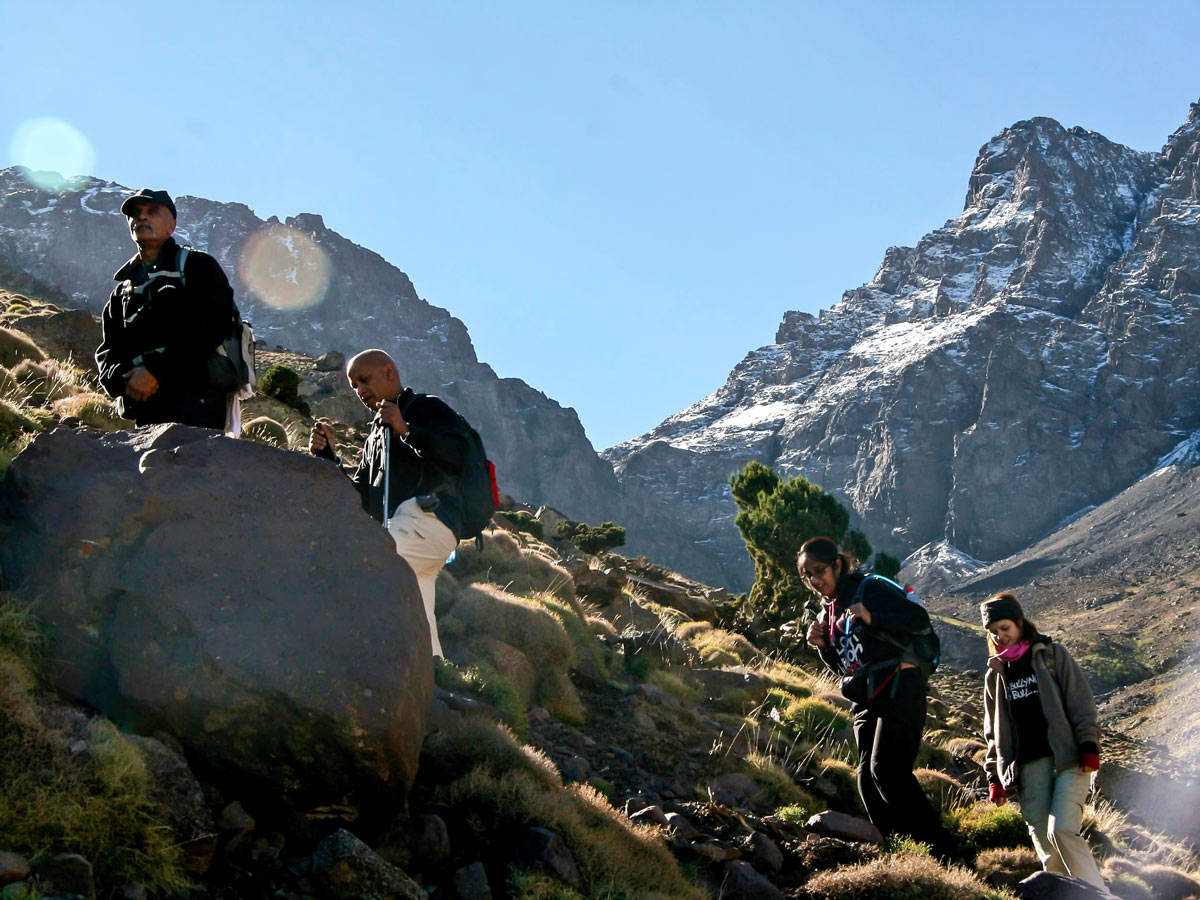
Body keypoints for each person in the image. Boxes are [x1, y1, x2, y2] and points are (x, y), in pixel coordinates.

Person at [801, 535, 955, 858]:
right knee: (867, 782)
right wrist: (825, 647)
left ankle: (947, 856)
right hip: (867, 697)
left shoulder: (868, 589)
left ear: (837, 565)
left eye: (819, 571)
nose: (815, 580)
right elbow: (847, 662)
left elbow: (918, 619)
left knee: (887, 770)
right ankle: (901, 853)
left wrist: (872, 616)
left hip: (901, 686)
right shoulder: (829, 613)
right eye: (807, 575)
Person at [309, 349, 465, 657]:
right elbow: (364, 500)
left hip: (430, 520)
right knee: (419, 612)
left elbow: (457, 455)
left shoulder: (425, 408)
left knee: (369, 566)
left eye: (365, 380)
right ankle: (436, 677)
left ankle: (349, 658)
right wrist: (330, 460)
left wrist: (406, 430)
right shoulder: (374, 437)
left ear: (389, 372)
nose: (360, 392)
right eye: (354, 387)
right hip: (402, 529)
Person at [981, 593, 1107, 890]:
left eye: (1005, 628)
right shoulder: (995, 675)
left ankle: (1100, 895)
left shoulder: (1052, 655)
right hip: (1027, 768)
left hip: (1069, 758)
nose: (1000, 637)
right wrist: (993, 776)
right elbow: (992, 731)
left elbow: (1081, 702)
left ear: (1020, 623)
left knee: (1061, 830)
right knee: (1049, 854)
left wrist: (1089, 744)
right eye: (993, 632)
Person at [95, 188, 238, 430]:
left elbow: (215, 326)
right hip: (144, 411)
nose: (141, 218)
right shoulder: (122, 292)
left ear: (171, 226)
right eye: (135, 214)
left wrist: (154, 371)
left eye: (152, 212)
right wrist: (125, 380)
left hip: (197, 407)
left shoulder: (198, 266)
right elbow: (108, 350)